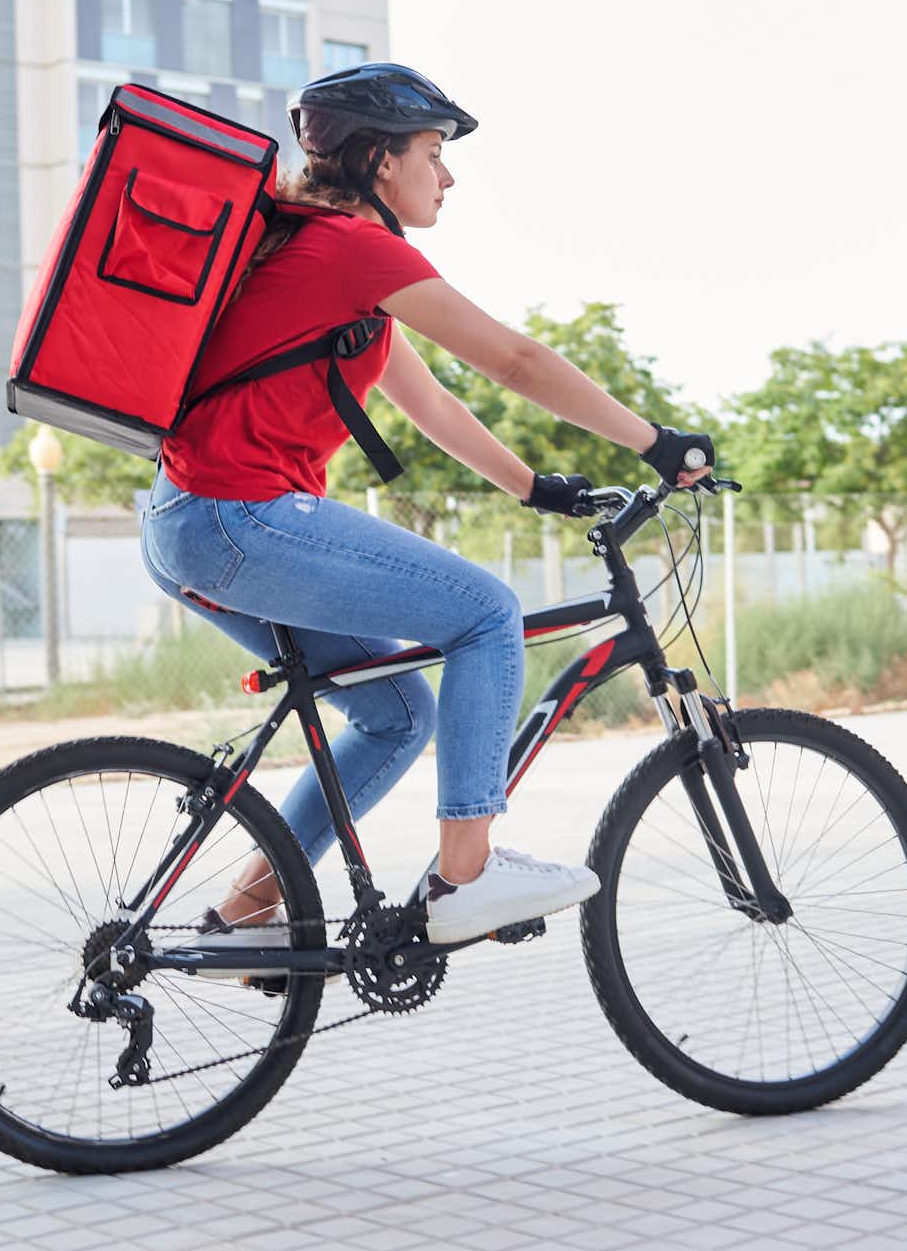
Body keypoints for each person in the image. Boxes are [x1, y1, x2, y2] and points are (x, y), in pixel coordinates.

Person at [137, 62, 714, 950]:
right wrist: (654, 441)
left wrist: (533, 486)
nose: (447, 176)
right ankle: (466, 878)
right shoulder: (357, 252)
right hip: (239, 519)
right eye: (433, 152)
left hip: (191, 523)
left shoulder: (323, 251)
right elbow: (515, 362)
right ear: (379, 163)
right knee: (486, 615)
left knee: (401, 712)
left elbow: (432, 402)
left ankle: (246, 912)